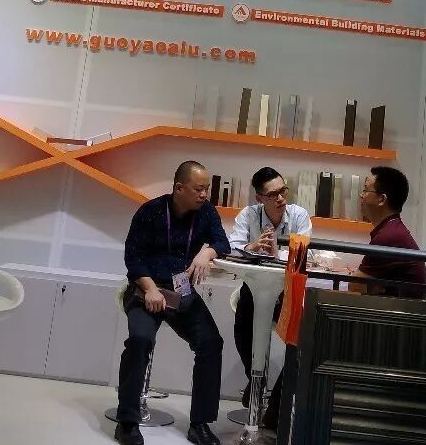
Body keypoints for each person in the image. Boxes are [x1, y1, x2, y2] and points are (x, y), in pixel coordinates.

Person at [117, 160, 230, 445]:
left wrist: (206, 254)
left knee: (211, 343)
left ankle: (200, 423)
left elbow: (222, 242)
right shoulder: (150, 211)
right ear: (179, 188)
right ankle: (127, 422)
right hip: (146, 290)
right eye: (199, 189)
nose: (204, 195)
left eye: (207, 189)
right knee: (140, 340)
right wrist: (150, 289)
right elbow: (133, 258)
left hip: (182, 292)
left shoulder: (206, 212)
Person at [227, 166, 312, 429]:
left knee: (300, 345)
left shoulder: (299, 215)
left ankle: (275, 408)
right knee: (242, 330)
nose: (281, 198)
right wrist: (251, 247)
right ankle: (257, 379)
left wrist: (277, 254)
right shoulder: (248, 215)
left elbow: (304, 254)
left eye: (283, 191)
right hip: (254, 289)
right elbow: (230, 247)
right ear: (259, 198)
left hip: (287, 291)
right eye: (273, 194)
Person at [352, 165, 426, 299]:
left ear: (382, 199)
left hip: (397, 311)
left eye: (365, 190)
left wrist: (371, 285)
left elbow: (355, 286)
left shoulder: (389, 237)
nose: (361, 195)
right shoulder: (393, 229)